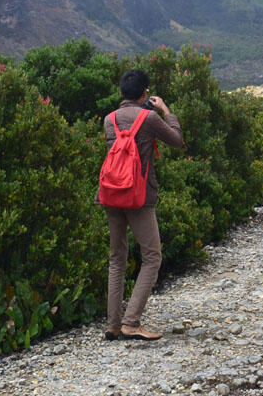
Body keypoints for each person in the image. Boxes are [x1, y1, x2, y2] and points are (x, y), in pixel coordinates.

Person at [102, 68, 185, 341]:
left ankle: (113, 324)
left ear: (121, 93)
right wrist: (165, 110)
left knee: (117, 258)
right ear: (145, 94)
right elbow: (177, 140)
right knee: (152, 257)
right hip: (138, 196)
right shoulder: (149, 117)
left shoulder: (109, 119)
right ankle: (131, 322)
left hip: (111, 193)